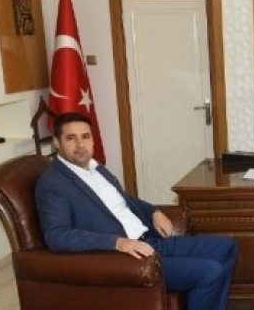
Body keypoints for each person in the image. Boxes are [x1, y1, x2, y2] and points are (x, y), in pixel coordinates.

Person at [35, 112, 239, 310]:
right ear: (57, 142)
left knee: (227, 248)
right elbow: (57, 235)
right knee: (209, 272)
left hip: (151, 241)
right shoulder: (53, 184)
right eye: (71, 138)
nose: (80, 145)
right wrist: (117, 242)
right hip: (127, 258)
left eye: (85, 136)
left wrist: (153, 212)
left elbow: (123, 201)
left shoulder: (96, 169)